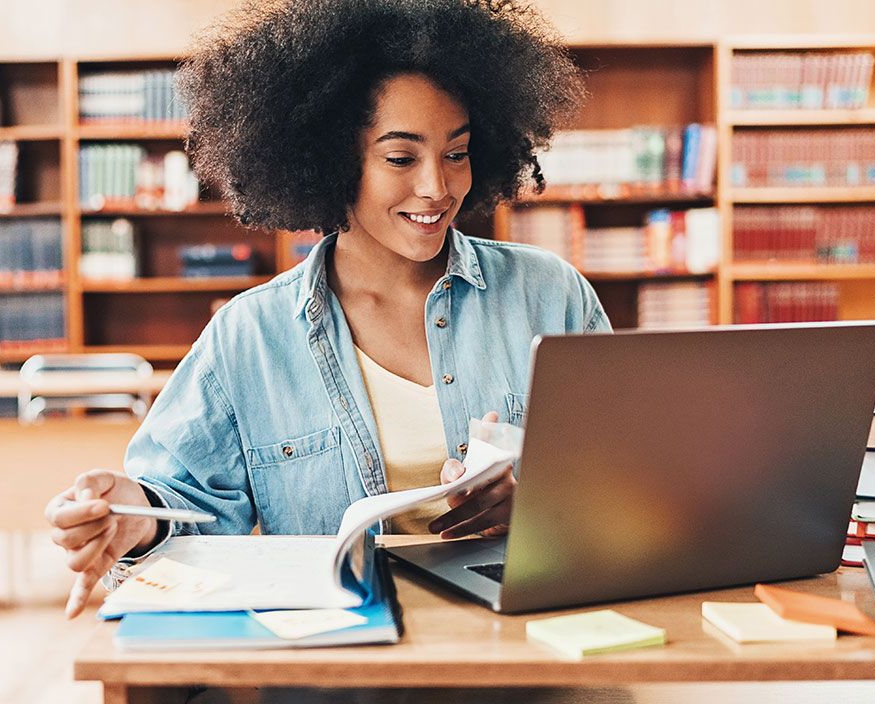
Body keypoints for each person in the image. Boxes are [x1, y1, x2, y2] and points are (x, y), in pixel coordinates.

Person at [47, 0, 609, 619]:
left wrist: (539, 503)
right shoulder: (250, 336)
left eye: (457, 152)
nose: (437, 187)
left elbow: (630, 482)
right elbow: (186, 511)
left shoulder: (549, 296)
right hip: (343, 663)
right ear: (332, 160)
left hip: (528, 650)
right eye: (401, 158)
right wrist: (136, 520)